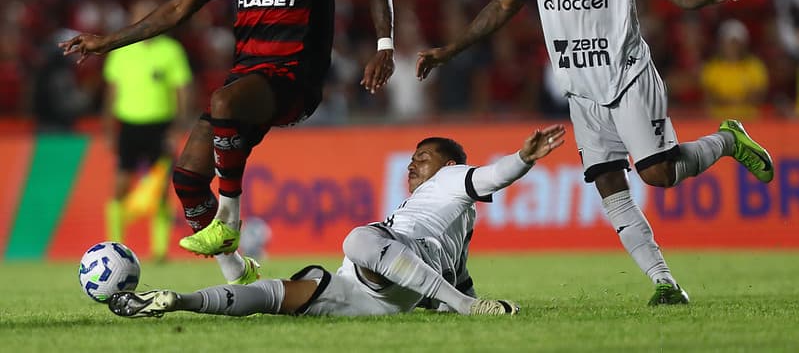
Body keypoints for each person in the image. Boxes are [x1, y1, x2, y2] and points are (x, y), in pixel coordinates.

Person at [416, 0, 775, 305]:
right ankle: (665, 284)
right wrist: (450, 49)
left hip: (627, 77)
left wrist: (697, 1)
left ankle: (727, 139)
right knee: (609, 182)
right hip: (579, 90)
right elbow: (503, 6)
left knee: (659, 175)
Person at [60, 0, 396, 285]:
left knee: (222, 100)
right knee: (186, 179)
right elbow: (179, 8)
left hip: (295, 81)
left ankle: (230, 218)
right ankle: (238, 273)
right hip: (249, 80)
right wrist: (108, 41)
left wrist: (384, 46)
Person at [107, 125, 567, 318]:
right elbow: (458, 275)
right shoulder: (458, 222)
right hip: (372, 293)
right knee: (277, 296)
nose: (413, 166)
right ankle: (177, 300)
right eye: (411, 159)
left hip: (387, 258)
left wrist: (523, 158)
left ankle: (213, 272)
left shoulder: (452, 179)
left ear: (448, 165)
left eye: (422, 158)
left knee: (357, 238)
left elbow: (493, 173)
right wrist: (458, 300)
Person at [102, 0, 193, 261]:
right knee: (120, 185)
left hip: (160, 126)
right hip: (129, 125)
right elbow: (111, 92)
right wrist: (109, 128)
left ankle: (160, 250)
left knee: (161, 189)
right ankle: (115, 246)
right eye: (138, 16)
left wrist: (178, 125)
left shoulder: (171, 50)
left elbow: (183, 90)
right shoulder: (121, 51)